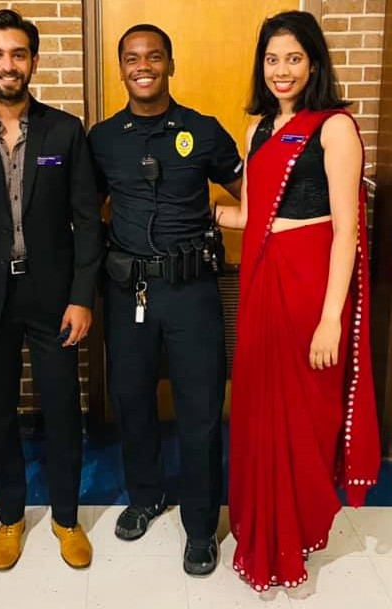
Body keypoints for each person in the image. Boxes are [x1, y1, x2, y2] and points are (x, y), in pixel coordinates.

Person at [217, 10, 381, 591]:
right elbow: (253, 215)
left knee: (306, 414)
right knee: (259, 411)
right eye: (271, 59)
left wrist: (332, 318)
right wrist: (202, 211)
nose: (281, 71)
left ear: (313, 62)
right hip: (263, 281)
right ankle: (263, 533)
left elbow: (346, 228)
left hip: (312, 286)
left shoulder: (333, 126)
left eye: (293, 58)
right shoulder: (257, 128)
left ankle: (298, 534)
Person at [0, 9, 103, 571]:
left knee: (62, 410)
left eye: (19, 54)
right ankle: (10, 517)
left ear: (33, 60)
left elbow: (86, 219)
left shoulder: (64, 130)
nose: (9, 65)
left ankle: (65, 517)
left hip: (53, 297)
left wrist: (82, 296)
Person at [88, 24, 242, 576]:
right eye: (132, 58)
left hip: (192, 292)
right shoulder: (103, 139)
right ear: (122, 67)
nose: (143, 65)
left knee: (200, 412)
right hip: (129, 291)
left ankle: (201, 526)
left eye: (154, 56)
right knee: (131, 400)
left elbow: (251, 189)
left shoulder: (202, 131)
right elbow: (87, 215)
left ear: (170, 65)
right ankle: (146, 495)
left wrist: (235, 216)